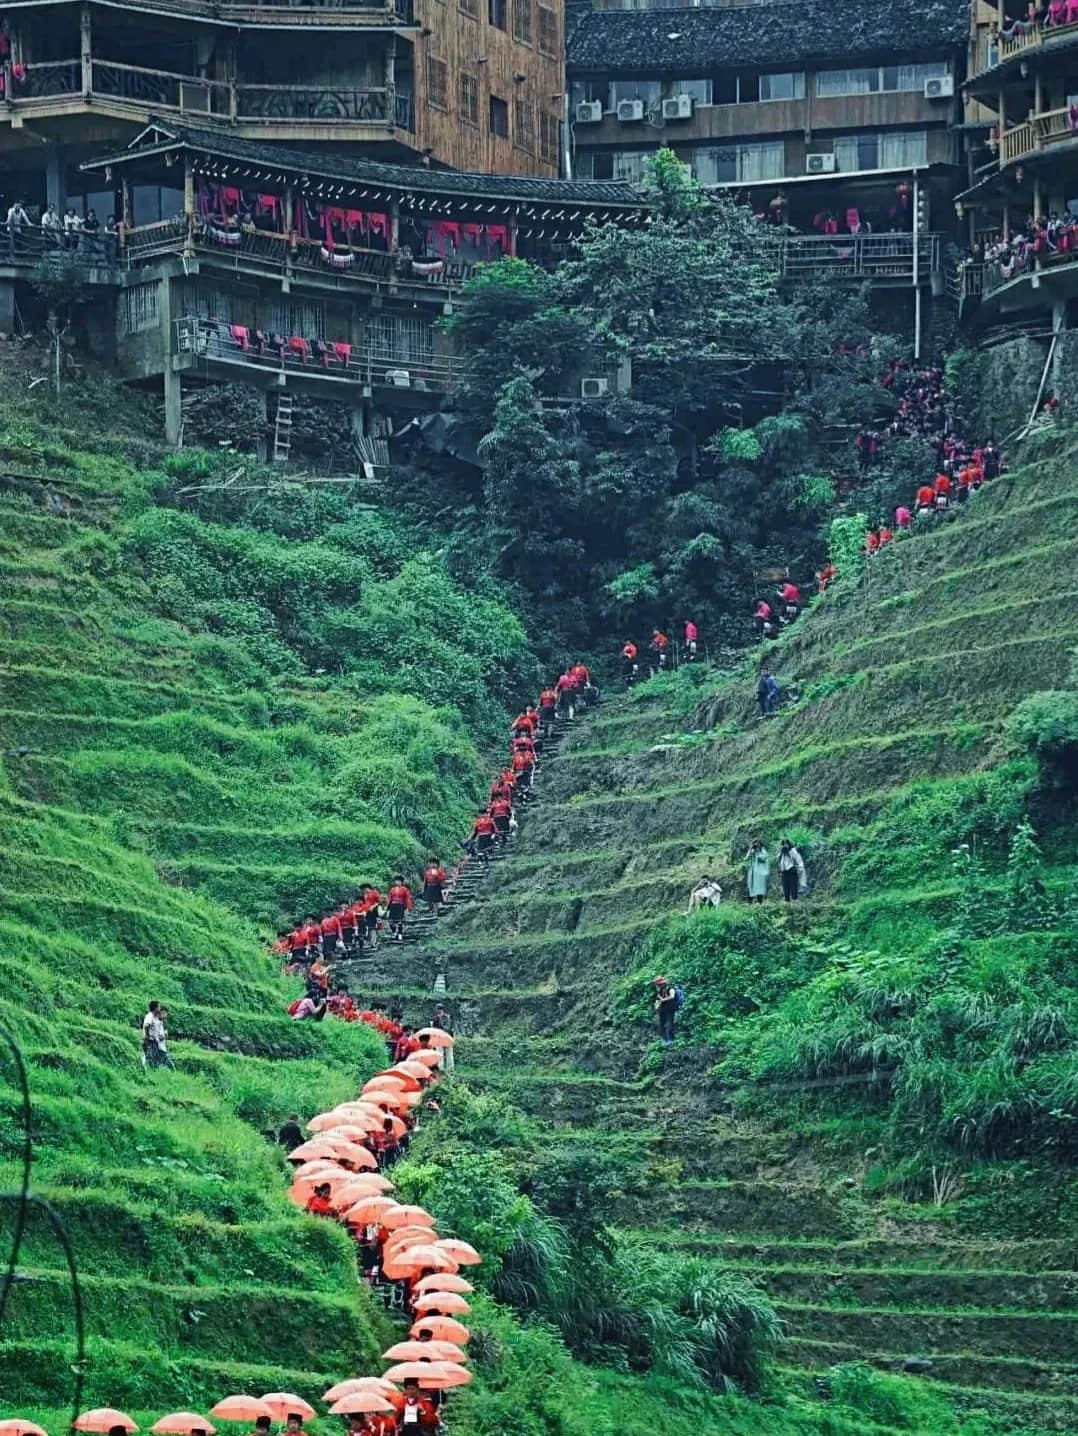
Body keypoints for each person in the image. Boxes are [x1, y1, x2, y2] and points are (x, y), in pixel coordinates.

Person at [141, 1000, 175, 1068]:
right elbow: (146, 1026)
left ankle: (152, 1071)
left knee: (153, 1060)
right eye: (159, 1007)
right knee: (151, 1059)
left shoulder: (155, 1018)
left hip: (154, 1042)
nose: (160, 1008)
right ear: (155, 1008)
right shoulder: (150, 1016)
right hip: (150, 1042)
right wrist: (148, 1037)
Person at [653, 977, 678, 1047]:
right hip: (662, 1010)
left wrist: (663, 1000)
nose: (658, 986)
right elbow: (657, 999)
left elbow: (672, 996)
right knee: (661, 1025)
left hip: (670, 1009)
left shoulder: (670, 988)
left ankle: (671, 1040)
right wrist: (656, 1005)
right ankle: (664, 1040)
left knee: (669, 1024)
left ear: (663, 983)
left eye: (659, 984)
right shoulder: (660, 990)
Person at [432, 1001, 455, 1074]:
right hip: (448, 1037)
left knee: (440, 1053)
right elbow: (452, 1028)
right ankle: (450, 1069)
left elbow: (433, 1029)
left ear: (437, 1009)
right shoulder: (449, 1017)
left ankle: (441, 1068)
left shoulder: (435, 1018)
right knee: (449, 1054)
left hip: (440, 1038)